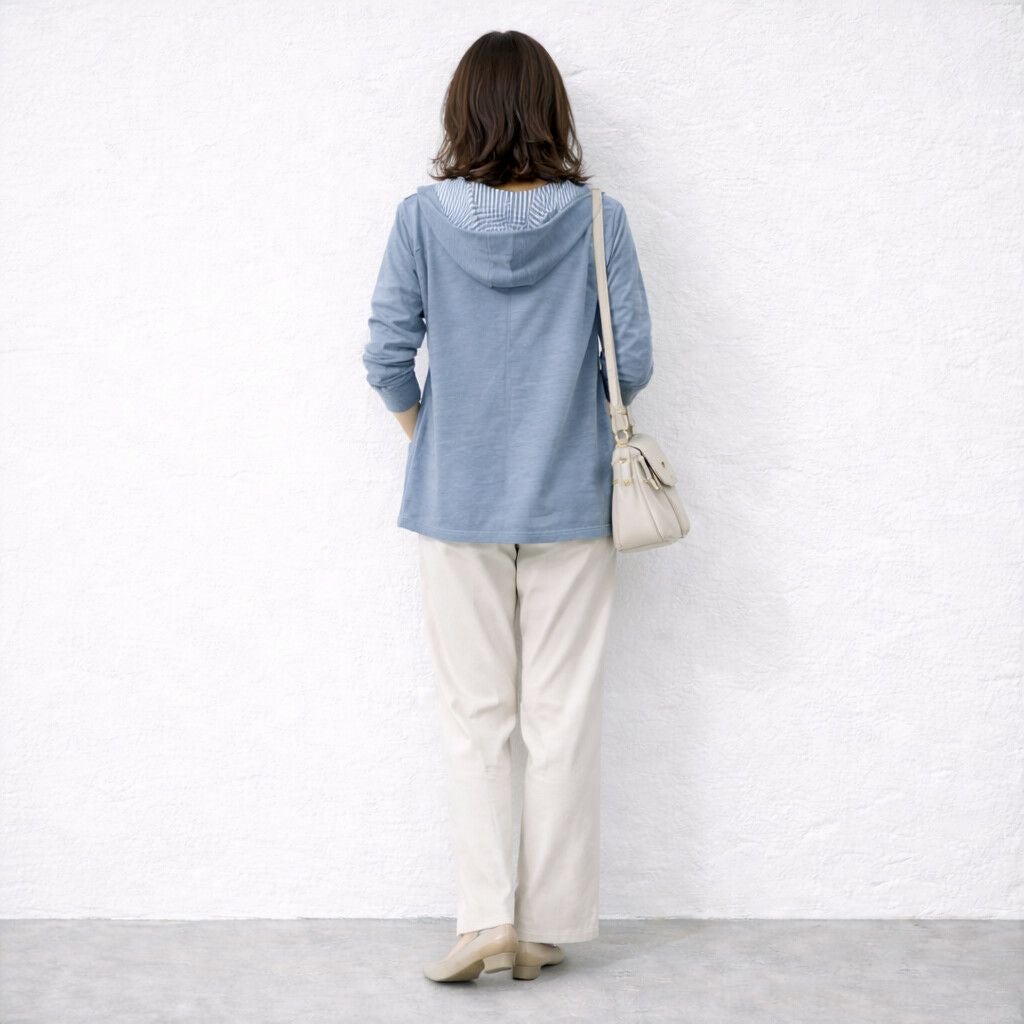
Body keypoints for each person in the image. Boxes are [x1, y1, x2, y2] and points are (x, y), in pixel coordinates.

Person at [362, 29, 654, 983]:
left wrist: (437, 439)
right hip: (575, 499)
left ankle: (485, 918)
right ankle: (545, 928)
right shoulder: (599, 217)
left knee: (476, 716)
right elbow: (633, 364)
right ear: (551, 111)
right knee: (562, 715)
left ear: (464, 113)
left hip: (455, 501)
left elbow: (385, 356)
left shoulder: (420, 219)